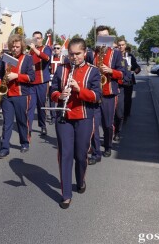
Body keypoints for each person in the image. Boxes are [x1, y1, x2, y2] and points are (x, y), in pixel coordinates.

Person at [50, 37, 101, 209]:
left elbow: (97, 96)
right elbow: (52, 91)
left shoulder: (93, 71)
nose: (74, 57)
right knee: (65, 154)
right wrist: (59, 95)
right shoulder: (61, 70)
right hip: (64, 117)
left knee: (80, 155)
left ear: (85, 53)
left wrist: (80, 90)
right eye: (71, 54)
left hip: (84, 116)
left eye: (77, 54)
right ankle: (66, 194)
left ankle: (80, 180)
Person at [88, 26, 125, 165]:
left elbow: (123, 74)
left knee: (107, 124)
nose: (103, 40)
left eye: (106, 37)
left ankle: (108, 146)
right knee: (93, 124)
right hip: (94, 94)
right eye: (101, 37)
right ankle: (96, 151)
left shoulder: (116, 54)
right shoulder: (92, 54)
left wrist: (110, 70)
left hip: (109, 93)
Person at [0, 34, 35, 158]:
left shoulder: (28, 59)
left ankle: (24, 142)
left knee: (21, 121)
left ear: (22, 46)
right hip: (7, 95)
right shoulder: (5, 58)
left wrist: (17, 76)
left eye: (17, 46)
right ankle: (4, 147)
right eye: (13, 46)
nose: (15, 49)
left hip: (21, 95)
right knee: (7, 122)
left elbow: (32, 77)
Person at [27, 31, 52, 135]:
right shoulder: (30, 51)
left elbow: (47, 58)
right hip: (31, 83)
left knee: (41, 105)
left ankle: (42, 125)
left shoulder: (46, 48)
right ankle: (28, 128)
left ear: (42, 39)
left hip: (42, 82)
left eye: (38, 38)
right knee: (30, 106)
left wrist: (34, 49)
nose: (36, 40)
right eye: (34, 38)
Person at [116, 40, 141, 118]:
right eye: (119, 45)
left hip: (128, 81)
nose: (121, 47)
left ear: (125, 46)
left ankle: (126, 114)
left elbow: (137, 67)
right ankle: (119, 115)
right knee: (119, 100)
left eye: (122, 45)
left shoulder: (129, 56)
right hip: (118, 81)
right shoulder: (115, 56)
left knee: (127, 99)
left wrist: (134, 70)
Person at [48, 43, 64, 124]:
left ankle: (61, 115)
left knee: (62, 98)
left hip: (61, 81)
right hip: (52, 80)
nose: (56, 50)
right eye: (55, 48)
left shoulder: (64, 58)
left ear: (61, 50)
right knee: (52, 99)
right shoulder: (50, 58)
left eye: (58, 48)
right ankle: (53, 117)